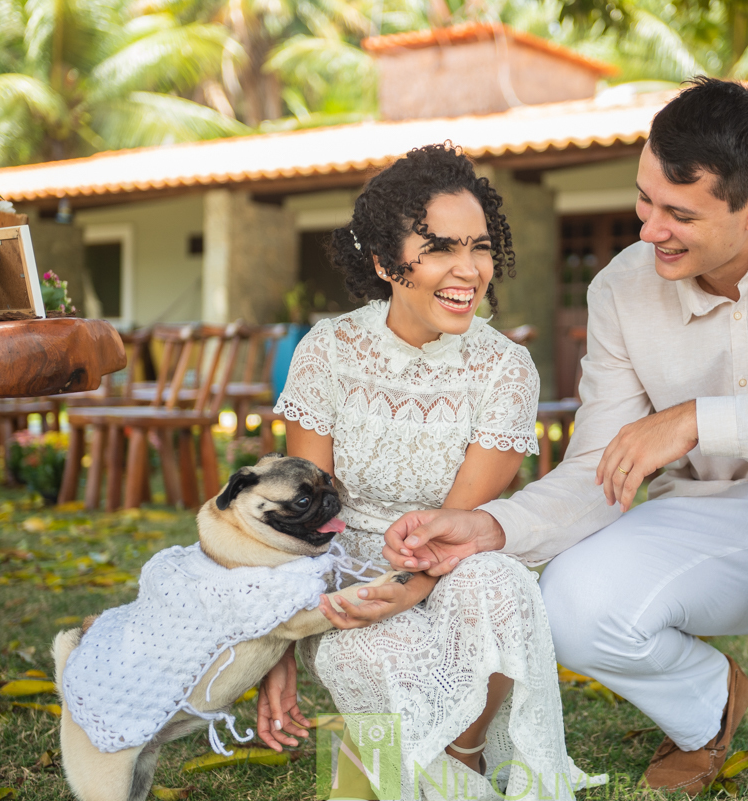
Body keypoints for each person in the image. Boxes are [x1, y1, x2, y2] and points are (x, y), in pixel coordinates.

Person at [383, 79, 748, 801]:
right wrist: (490, 525)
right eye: (645, 200)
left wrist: (698, 417)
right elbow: (599, 471)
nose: (649, 230)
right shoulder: (620, 289)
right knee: (572, 600)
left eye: (679, 213)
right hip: (708, 523)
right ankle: (707, 705)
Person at [255, 143, 597, 801]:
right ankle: (419, 768)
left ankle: (456, 759)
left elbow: (455, 531)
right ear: (385, 263)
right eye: (440, 248)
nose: (467, 269)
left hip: (453, 570)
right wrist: (278, 644)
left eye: (479, 246)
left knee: (497, 581)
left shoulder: (504, 369)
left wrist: (413, 582)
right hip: (353, 582)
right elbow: (302, 518)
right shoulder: (327, 352)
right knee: (357, 651)